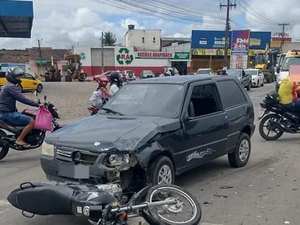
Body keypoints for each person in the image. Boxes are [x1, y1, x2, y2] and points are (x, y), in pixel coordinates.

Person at [0, 67, 40, 147]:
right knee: (31, 121)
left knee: (25, 113)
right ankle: (19, 140)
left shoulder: (9, 86)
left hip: (6, 112)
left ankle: (22, 134)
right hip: (6, 114)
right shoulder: (10, 87)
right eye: (17, 77)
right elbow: (22, 99)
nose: (19, 78)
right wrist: (37, 104)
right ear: (12, 77)